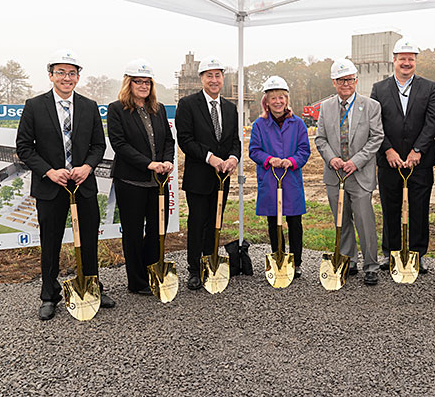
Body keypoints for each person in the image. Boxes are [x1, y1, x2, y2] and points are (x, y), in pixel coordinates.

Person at [16, 49, 115, 320]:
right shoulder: (34, 106)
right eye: (60, 72)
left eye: (72, 73)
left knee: (88, 241)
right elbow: (24, 148)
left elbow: (98, 145)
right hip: (51, 187)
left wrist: (87, 167)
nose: (66, 78)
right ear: (50, 75)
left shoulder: (89, 106)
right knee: (51, 242)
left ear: (78, 77)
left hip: (83, 185)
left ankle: (93, 287)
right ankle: (49, 295)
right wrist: (49, 171)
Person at [370, 38, 435, 274]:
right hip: (388, 161)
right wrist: (388, 149)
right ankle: (390, 252)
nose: (406, 63)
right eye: (402, 58)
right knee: (390, 207)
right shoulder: (379, 89)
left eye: (411, 59)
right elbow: (375, 123)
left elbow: (432, 122)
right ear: (394, 60)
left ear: (415, 62)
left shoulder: (429, 87)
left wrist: (418, 150)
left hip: (419, 162)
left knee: (419, 208)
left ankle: (417, 254)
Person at [107, 59, 175, 295]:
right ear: (129, 83)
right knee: (133, 234)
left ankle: (152, 271)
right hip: (131, 182)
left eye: (147, 82)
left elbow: (168, 139)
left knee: (158, 230)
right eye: (139, 81)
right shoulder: (117, 109)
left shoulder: (158, 108)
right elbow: (120, 144)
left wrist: (167, 161)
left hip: (158, 183)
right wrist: (149, 164)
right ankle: (136, 282)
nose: (144, 86)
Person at [315, 59, 384, 286]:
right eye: (341, 80)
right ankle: (349, 260)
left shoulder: (371, 106)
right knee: (341, 220)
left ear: (356, 80)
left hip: (360, 173)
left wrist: (356, 161)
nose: (346, 84)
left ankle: (371, 266)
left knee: (365, 221)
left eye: (350, 79)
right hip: (335, 174)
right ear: (334, 82)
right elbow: (320, 138)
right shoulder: (325, 107)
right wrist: (331, 158)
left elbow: (376, 138)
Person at [175, 56, 241, 291]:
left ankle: (210, 263)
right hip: (199, 176)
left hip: (222, 178)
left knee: (216, 223)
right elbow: (185, 140)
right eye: (209, 76)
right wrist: (210, 158)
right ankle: (194, 269)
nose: (214, 80)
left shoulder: (230, 108)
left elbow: (235, 140)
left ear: (223, 78)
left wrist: (233, 158)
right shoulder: (188, 104)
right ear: (201, 78)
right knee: (197, 223)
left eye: (218, 75)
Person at [249, 76, 311, 279]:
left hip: (291, 178)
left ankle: (297, 261)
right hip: (270, 177)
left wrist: (291, 161)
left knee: (294, 221)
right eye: (273, 98)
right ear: (266, 101)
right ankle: (278, 257)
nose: (278, 102)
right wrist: (269, 159)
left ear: (287, 99)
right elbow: (254, 150)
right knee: (273, 221)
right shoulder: (259, 124)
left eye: (281, 97)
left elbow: (304, 150)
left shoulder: (298, 123)